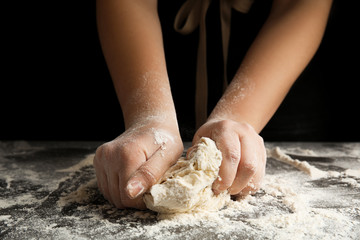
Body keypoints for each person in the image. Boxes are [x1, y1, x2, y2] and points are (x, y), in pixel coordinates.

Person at [93, 0, 333, 209]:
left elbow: (298, 3)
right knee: (134, 157)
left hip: (274, 62)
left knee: (243, 158)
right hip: (147, 53)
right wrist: (147, 117)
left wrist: (241, 115)